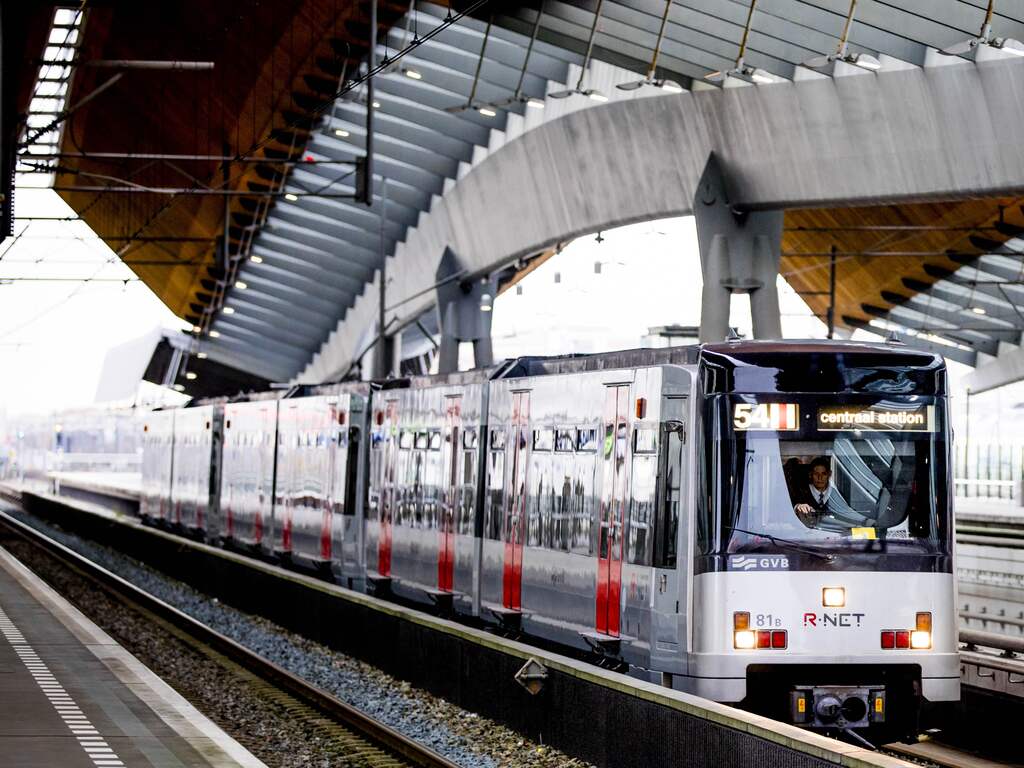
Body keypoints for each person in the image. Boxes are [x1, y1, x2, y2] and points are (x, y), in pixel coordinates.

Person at [792, 456, 875, 533]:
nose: (820, 478)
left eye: (823, 474)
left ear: (829, 474)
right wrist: (798, 506)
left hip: (835, 535)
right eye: (816, 474)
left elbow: (849, 513)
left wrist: (867, 522)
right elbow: (789, 511)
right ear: (810, 475)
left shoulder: (838, 494)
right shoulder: (800, 492)